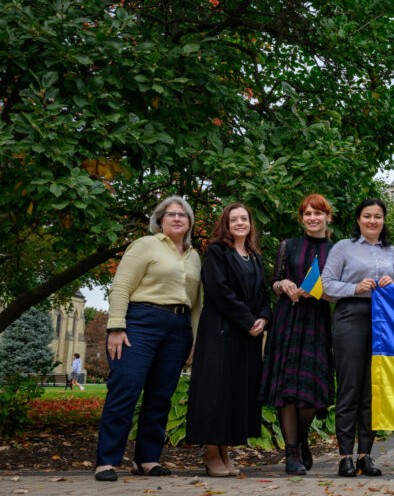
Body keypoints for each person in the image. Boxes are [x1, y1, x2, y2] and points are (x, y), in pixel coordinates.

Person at [95, 195, 202, 481]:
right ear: (159, 219)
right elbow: (121, 286)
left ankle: (147, 459)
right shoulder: (146, 245)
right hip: (140, 322)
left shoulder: (194, 257)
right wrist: (116, 327)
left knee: (161, 395)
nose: (177, 218)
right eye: (170, 214)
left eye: (182, 214)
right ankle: (107, 461)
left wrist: (193, 338)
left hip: (178, 328)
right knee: (125, 389)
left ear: (190, 222)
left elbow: (196, 303)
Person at [186, 203, 271, 477]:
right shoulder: (216, 251)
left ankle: (225, 452)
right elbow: (218, 291)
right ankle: (211, 453)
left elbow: (263, 294)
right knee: (217, 393)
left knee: (236, 393)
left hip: (247, 337)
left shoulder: (255, 257)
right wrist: (248, 321)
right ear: (226, 223)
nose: (239, 223)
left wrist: (263, 318)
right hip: (221, 333)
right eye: (233, 219)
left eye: (244, 218)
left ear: (250, 223)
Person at [321, 198, 394, 478]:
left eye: (378, 217)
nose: (372, 221)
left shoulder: (391, 251)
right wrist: (354, 288)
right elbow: (326, 283)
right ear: (358, 219)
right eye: (367, 216)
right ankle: (345, 455)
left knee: (371, 388)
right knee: (350, 386)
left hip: (381, 320)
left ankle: (366, 454)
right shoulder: (344, 247)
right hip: (350, 315)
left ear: (383, 221)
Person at [259, 194, 336, 475]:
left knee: (311, 390)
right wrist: (285, 284)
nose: (313, 218)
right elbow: (275, 283)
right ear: (301, 218)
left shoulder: (335, 250)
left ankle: (301, 440)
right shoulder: (287, 246)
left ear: (328, 217)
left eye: (318, 213)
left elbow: (337, 292)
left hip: (317, 323)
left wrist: (320, 292)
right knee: (288, 387)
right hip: (287, 320)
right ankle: (292, 452)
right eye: (307, 214)